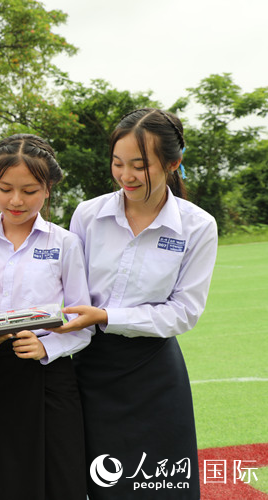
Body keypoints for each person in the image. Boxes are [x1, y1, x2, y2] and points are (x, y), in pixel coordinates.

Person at [53, 108, 218, 499]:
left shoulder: (198, 226)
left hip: (155, 375)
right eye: (117, 163)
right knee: (100, 483)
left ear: (173, 164)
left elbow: (184, 311)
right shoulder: (88, 215)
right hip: (90, 369)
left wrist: (108, 315)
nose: (126, 176)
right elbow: (68, 291)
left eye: (140, 166)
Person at [0, 134, 92, 500]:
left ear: (47, 190)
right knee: (9, 478)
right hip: (0, 375)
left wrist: (48, 347)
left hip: (54, 378)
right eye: (4, 189)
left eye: (29, 190)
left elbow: (84, 324)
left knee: (61, 477)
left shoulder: (65, 244)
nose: (16, 201)